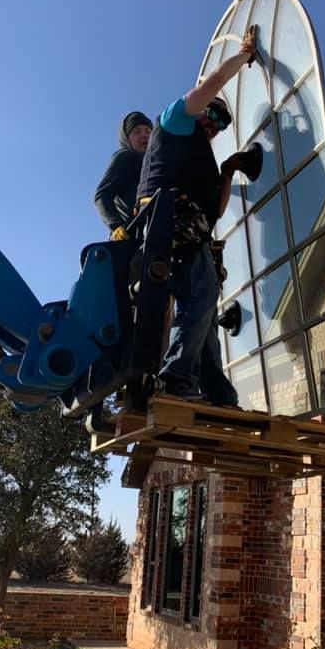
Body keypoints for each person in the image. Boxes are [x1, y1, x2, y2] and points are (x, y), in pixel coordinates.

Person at [136, 25, 258, 403]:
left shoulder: (204, 159)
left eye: (222, 124)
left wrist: (227, 173)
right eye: (212, 115)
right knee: (201, 298)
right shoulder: (173, 122)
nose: (214, 125)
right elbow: (215, 81)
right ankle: (176, 380)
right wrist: (243, 55)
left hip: (191, 226)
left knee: (202, 313)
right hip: (169, 219)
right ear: (200, 109)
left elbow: (215, 211)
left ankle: (217, 394)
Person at [94, 111, 153, 240]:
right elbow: (102, 195)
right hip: (132, 238)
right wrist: (116, 226)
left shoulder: (157, 164)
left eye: (148, 131)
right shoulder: (127, 157)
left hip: (156, 231)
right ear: (127, 138)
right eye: (137, 131)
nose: (144, 135)